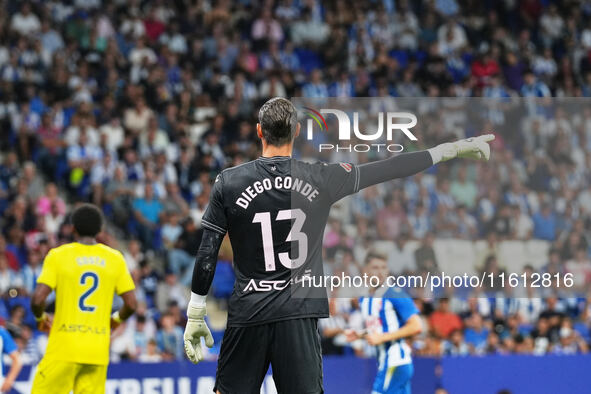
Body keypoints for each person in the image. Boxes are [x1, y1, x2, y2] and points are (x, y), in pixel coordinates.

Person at [182, 97, 494, 393]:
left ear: (259, 131)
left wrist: (196, 312)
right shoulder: (321, 177)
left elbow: (207, 250)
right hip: (299, 314)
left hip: (248, 312)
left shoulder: (230, 181)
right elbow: (389, 167)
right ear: (298, 132)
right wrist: (450, 150)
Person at [30, 204, 137, 394]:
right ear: (100, 230)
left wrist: (41, 319)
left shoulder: (58, 255)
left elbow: (38, 300)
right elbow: (131, 304)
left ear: (73, 228)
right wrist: (115, 320)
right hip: (96, 351)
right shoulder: (115, 259)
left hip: (64, 349)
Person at [345, 253, 422, 394]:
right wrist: (359, 334)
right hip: (385, 362)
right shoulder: (364, 299)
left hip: (395, 362)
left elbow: (416, 326)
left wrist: (382, 338)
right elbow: (379, 330)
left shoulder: (395, 294)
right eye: (375, 267)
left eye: (384, 267)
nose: (380, 272)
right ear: (365, 271)